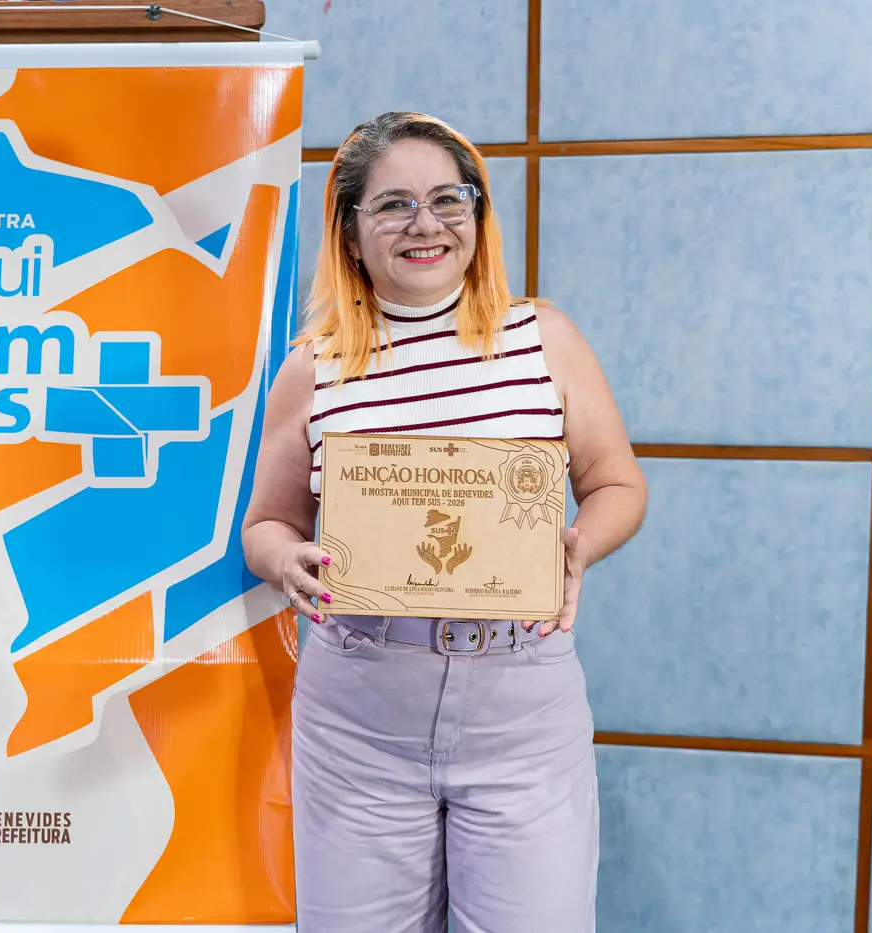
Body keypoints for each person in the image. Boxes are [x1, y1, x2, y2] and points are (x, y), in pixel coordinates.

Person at [241, 111, 647, 932]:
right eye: (393, 205)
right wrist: (286, 562)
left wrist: (578, 548)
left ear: (477, 213)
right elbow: (267, 523)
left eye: (447, 200)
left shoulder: (544, 338)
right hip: (359, 707)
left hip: (520, 701)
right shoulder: (314, 365)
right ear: (350, 232)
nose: (424, 224)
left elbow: (617, 485)